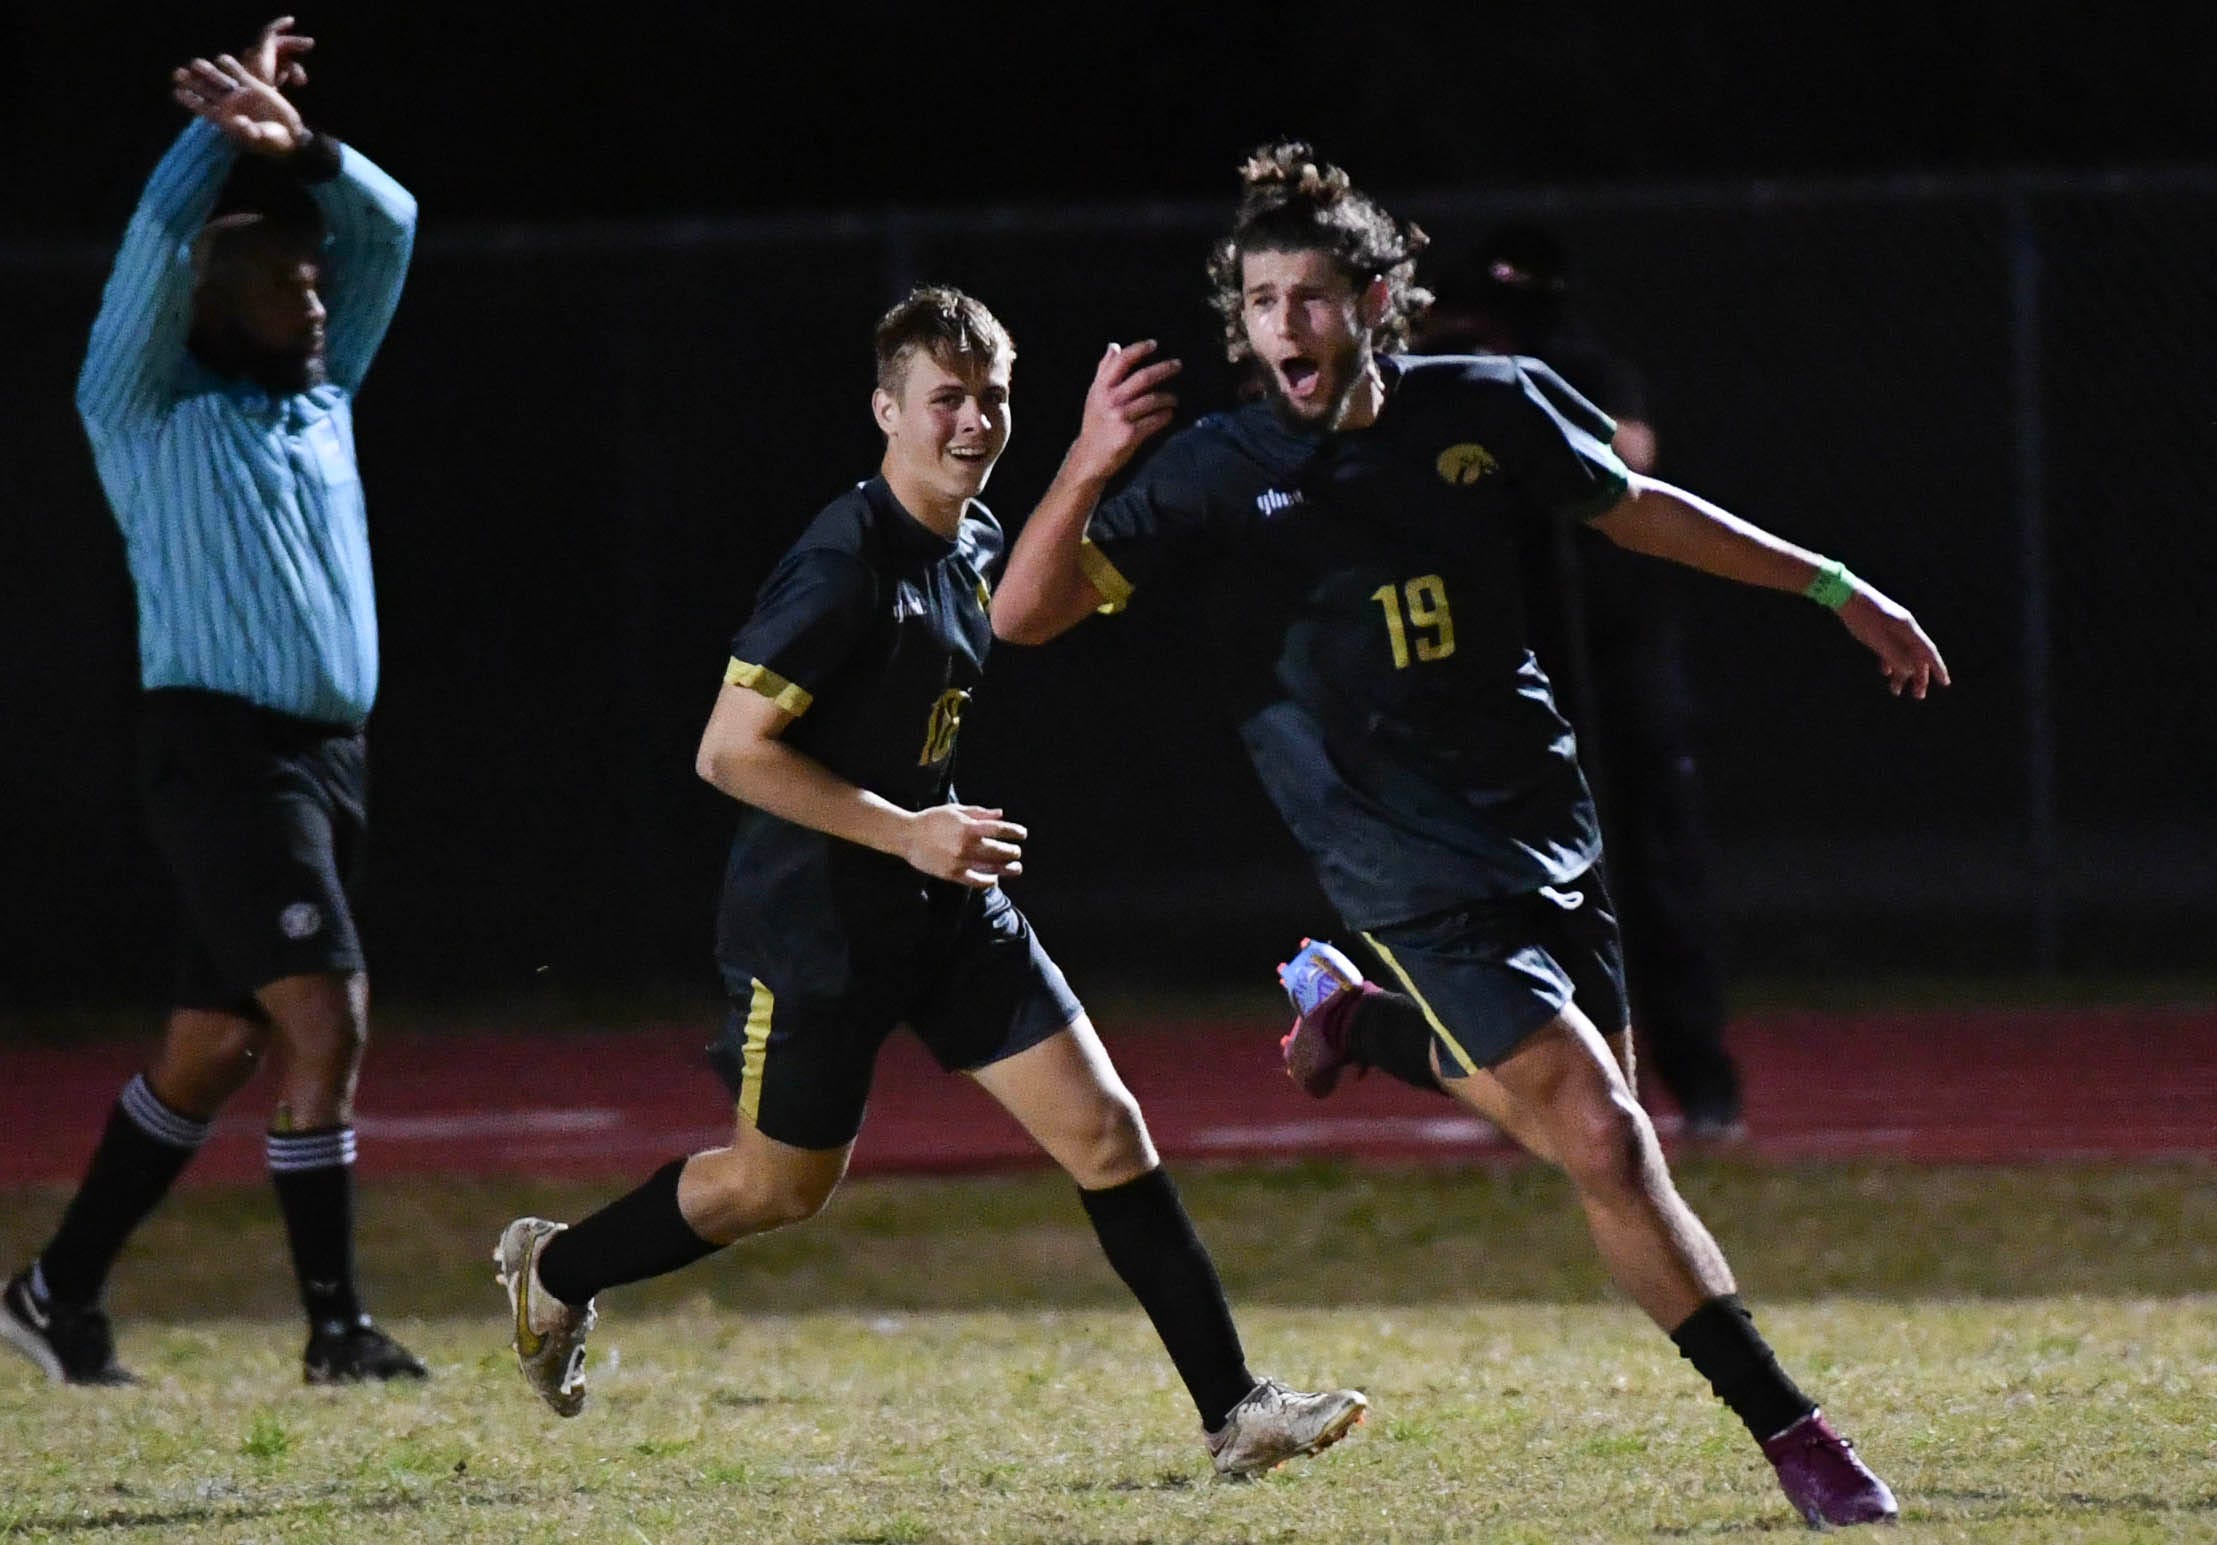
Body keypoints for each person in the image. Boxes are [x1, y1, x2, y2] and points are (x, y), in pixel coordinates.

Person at [990, 142, 1948, 1528]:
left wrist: (1838, 589)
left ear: (1377, 300)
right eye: (1259, 302)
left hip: (1539, 816)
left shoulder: (1486, 406)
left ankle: (1360, 1025)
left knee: (1583, 1125)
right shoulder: (1210, 468)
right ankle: (1801, 1441)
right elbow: (1024, 614)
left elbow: (1642, 514)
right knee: (1610, 1141)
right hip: (1394, 852)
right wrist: (1085, 462)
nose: (1282, 327)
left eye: (1310, 297)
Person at [493, 287, 1366, 1479]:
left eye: (992, 396)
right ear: (886, 410)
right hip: (818, 927)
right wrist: (906, 832)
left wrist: (1103, 473)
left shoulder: (974, 538)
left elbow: (1040, 603)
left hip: (943, 904)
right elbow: (727, 751)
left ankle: (1238, 1413)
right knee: (773, 1188)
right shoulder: (841, 560)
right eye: (946, 398)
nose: (972, 420)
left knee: (1107, 1132)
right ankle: (556, 1270)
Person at [0, 19, 424, 1387]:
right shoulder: (144, 410)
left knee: (213, 1048)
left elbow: (394, 228)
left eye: (311, 279)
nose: (312, 300)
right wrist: (209, 146)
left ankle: (54, 1291)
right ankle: (336, 1328)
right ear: (214, 299)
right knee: (326, 1018)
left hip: (325, 756)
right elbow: (142, 257)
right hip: (223, 753)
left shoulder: (325, 400)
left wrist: (299, 146)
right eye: (279, 281)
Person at [1417, 226, 1743, 1139]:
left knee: (1648, 871)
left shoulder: (1575, 370)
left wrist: (1524, 409)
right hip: (1512, 666)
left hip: (1615, 662)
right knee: (1515, 882)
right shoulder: (1449, 388)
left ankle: (1698, 1081)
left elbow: (1630, 452)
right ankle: (1536, 1082)